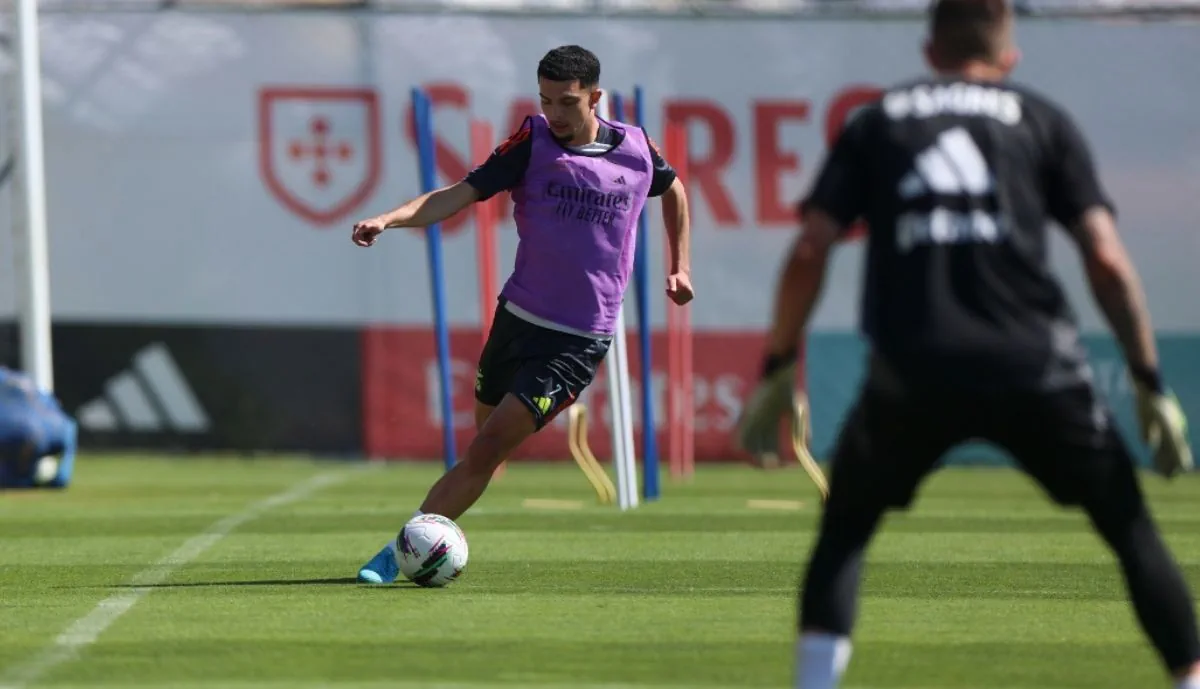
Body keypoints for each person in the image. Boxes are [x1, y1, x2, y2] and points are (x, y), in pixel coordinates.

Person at [733, 0, 1198, 687]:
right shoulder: (1042, 119)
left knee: (847, 527)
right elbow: (1105, 257)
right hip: (1036, 364)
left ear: (929, 50)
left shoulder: (878, 121)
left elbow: (810, 248)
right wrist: (1148, 381)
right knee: (1128, 525)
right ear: (1009, 57)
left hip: (912, 372)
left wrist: (775, 365)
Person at [351, 44, 693, 584]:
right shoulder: (530, 143)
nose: (554, 112)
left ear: (595, 98)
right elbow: (459, 194)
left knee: (487, 446)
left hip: (578, 341)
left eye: (567, 101)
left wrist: (681, 266)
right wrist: (388, 219)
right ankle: (449, 507)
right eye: (545, 99)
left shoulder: (635, 149)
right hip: (516, 319)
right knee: (482, 436)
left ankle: (402, 551)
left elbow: (673, 191)